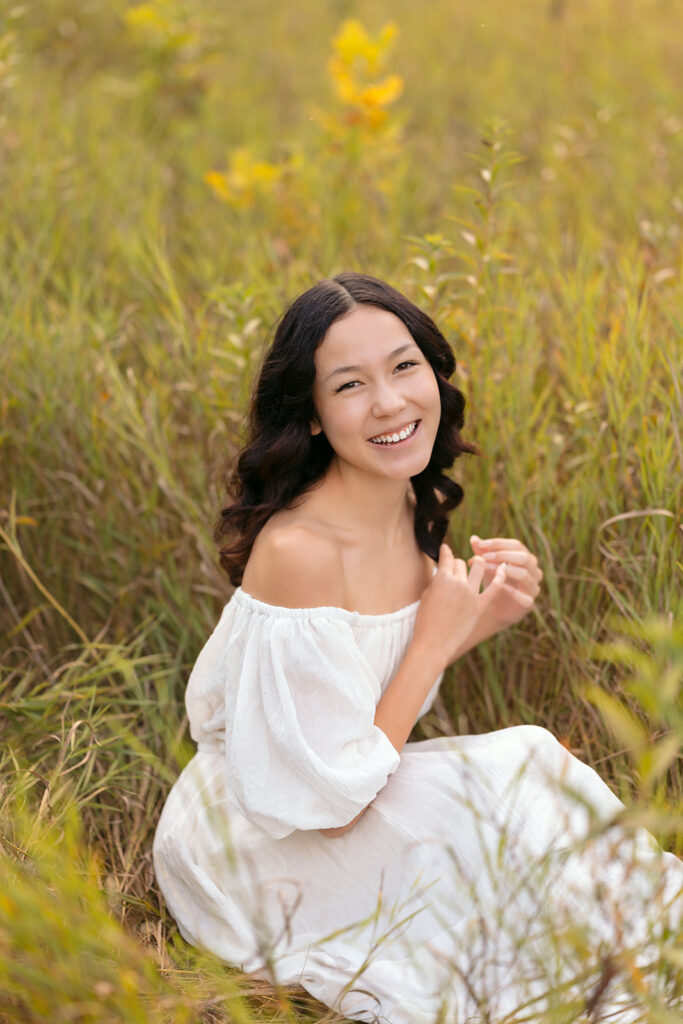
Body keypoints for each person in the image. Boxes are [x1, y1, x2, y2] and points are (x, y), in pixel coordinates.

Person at [153, 273, 682, 1024]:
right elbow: (326, 804)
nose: (391, 402)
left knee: (526, 778)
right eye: (349, 385)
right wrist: (435, 639)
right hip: (257, 838)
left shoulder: (403, 499)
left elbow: (362, 703)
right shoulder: (299, 549)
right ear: (308, 415)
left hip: (341, 785)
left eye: (404, 367)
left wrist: (478, 619)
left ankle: (648, 944)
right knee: (508, 788)